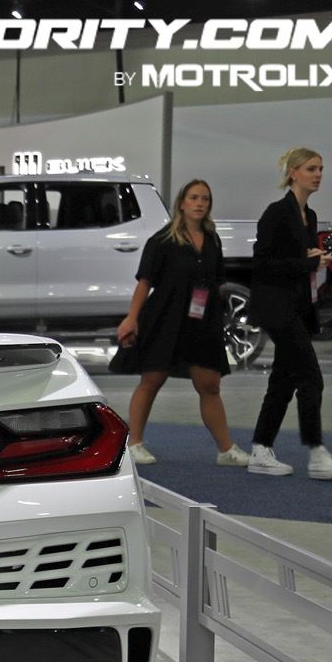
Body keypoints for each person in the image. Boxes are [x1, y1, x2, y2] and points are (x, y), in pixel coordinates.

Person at [110, 180, 249, 468]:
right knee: (152, 380)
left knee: (210, 385)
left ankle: (226, 450)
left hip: (203, 322)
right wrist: (132, 318)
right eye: (194, 198)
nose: (200, 203)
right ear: (182, 203)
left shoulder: (212, 240)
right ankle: (134, 444)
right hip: (166, 318)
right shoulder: (162, 240)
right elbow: (145, 283)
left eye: (205, 199)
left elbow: (218, 283)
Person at [245, 148, 332, 480]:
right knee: (311, 377)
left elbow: (294, 260)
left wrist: (310, 258)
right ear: (293, 173)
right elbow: (262, 264)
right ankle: (316, 453)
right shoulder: (276, 213)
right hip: (277, 308)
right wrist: (307, 261)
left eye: (320, 169)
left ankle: (261, 448)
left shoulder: (310, 216)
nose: (318, 175)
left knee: (284, 379)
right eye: (311, 168)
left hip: (298, 307)